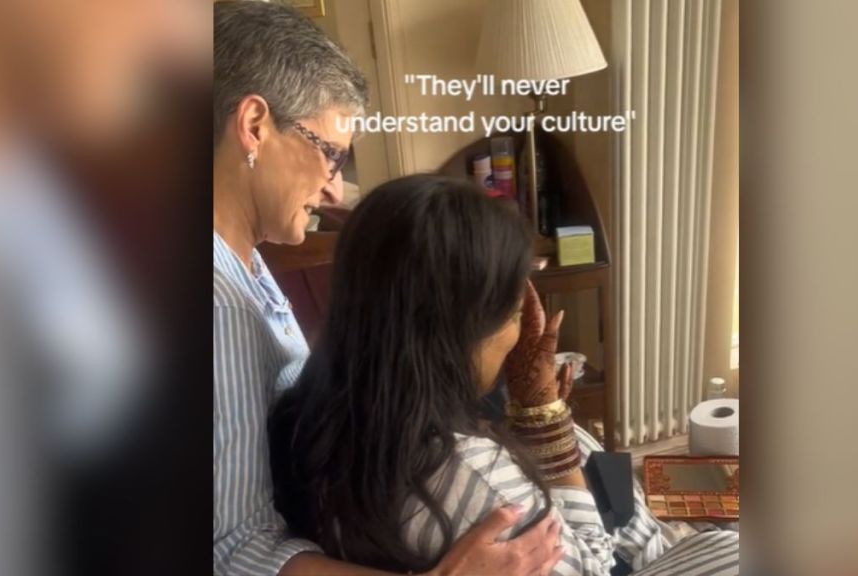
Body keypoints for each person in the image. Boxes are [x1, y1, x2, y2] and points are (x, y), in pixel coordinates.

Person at [212, 3, 561, 575]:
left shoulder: (241, 256)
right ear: (254, 125)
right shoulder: (218, 309)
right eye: (331, 154)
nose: (332, 189)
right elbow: (233, 549)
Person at [268, 175, 675, 575]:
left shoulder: (309, 412)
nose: (519, 338)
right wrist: (548, 427)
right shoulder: (477, 475)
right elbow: (594, 568)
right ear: (461, 331)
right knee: (725, 548)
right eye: (515, 315)